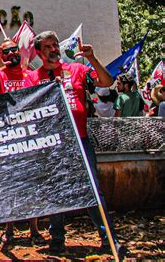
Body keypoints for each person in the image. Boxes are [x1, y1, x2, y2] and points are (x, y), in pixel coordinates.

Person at [25, 31, 128, 258]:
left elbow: (107, 82)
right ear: (40, 53)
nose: (54, 49)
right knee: (56, 191)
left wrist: (91, 58)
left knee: (93, 189)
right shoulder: (33, 78)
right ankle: (57, 239)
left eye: (55, 45)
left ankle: (109, 239)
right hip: (52, 145)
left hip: (80, 140)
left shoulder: (77, 70)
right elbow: (27, 111)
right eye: (48, 47)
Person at [0, 39, 46, 246]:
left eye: (13, 50)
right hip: (7, 138)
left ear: (19, 52)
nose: (11, 54)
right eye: (6, 52)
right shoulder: (1, 75)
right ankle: (9, 229)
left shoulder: (31, 75)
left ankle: (34, 230)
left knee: (31, 185)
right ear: (2, 56)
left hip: (29, 137)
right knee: (10, 184)